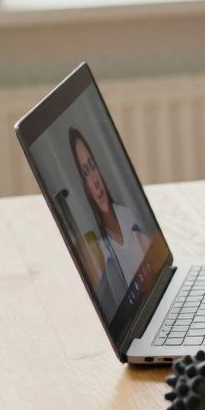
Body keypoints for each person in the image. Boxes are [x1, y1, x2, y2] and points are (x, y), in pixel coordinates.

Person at [69, 126, 150, 304]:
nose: (95, 181)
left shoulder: (126, 214)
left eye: (92, 166)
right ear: (83, 186)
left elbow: (157, 263)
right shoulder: (101, 251)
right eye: (85, 173)